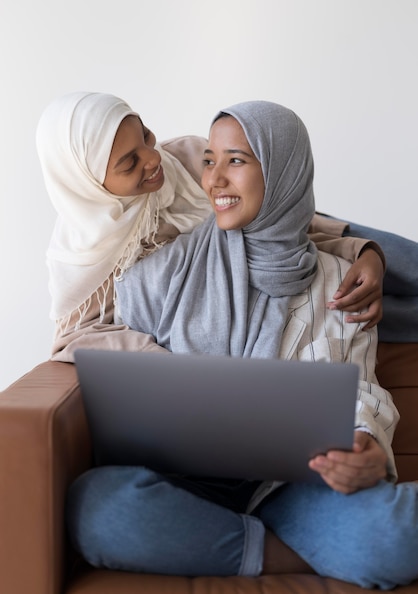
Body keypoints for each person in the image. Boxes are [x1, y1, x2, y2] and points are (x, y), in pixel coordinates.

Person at [66, 101, 418, 589]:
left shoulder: (341, 279)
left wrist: (369, 445)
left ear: (282, 170)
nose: (214, 180)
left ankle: (253, 538)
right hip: (187, 479)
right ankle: (285, 552)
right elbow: (96, 341)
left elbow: (361, 387)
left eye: (236, 160)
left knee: (395, 537)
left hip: (294, 483)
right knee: (98, 507)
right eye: (209, 160)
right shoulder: (163, 273)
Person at [37, 91, 388, 366]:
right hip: (199, 317)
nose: (153, 157)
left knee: (390, 280)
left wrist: (361, 251)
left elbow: (276, 213)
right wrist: (165, 363)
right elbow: (74, 338)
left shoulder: (187, 160)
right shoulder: (88, 252)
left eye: (145, 135)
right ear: (90, 185)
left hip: (280, 258)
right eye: (130, 163)